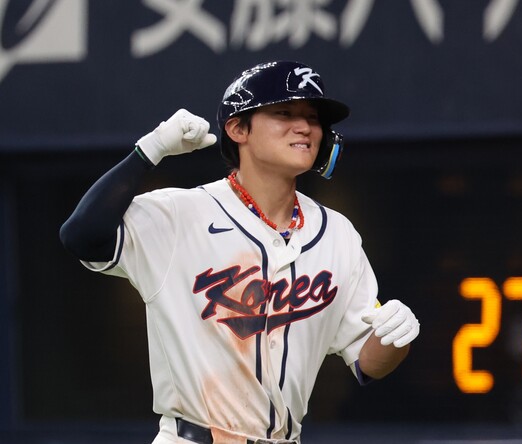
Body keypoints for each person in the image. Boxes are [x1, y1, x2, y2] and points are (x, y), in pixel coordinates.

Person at [60, 60, 420, 444]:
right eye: (285, 113)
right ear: (238, 129)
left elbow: (368, 363)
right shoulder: (181, 214)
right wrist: (149, 150)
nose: (304, 126)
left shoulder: (338, 234)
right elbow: (81, 236)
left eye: (313, 117)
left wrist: (396, 337)